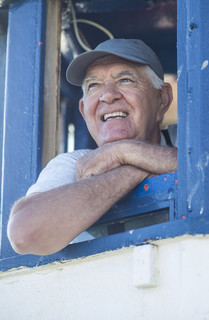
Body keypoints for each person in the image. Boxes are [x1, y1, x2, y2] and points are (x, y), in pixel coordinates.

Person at [7, 38, 177, 256]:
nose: (107, 95)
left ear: (162, 99)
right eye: (94, 85)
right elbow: (25, 233)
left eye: (125, 80)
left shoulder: (188, 141)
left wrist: (124, 152)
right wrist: (134, 163)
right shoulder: (72, 164)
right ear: (83, 109)